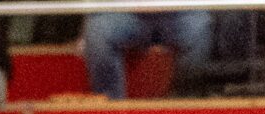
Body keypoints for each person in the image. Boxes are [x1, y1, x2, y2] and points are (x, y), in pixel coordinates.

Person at [83, 7, 215, 98]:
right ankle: (110, 109)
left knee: (200, 27)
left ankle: (185, 104)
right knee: (97, 31)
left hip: (179, 12)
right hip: (124, 12)